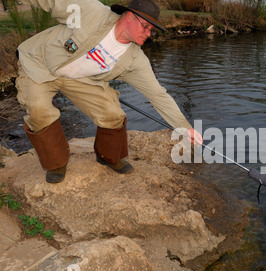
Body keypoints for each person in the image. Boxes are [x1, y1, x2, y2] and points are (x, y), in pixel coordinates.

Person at [15, 0, 203, 183]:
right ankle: (56, 163)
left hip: (79, 79)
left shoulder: (135, 61)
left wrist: (185, 128)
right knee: (39, 111)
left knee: (113, 115)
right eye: (145, 26)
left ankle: (107, 156)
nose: (148, 34)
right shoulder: (91, 12)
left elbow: (158, 95)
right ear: (129, 17)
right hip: (38, 64)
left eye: (151, 30)